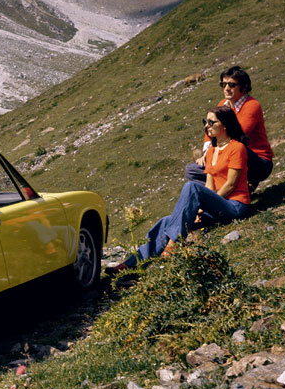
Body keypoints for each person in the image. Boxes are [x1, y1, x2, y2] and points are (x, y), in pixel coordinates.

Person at [108, 105, 251, 274]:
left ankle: (173, 244)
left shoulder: (237, 148)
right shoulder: (212, 151)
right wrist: (198, 210)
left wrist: (205, 205)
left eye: (212, 122)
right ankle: (133, 265)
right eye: (206, 122)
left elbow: (231, 184)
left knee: (191, 187)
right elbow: (209, 186)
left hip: (235, 205)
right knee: (166, 221)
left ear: (225, 125)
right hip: (217, 207)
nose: (207, 126)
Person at [184, 66, 273, 192]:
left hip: (256, 162)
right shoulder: (222, 105)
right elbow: (210, 132)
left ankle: (230, 190)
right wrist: (205, 155)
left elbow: (237, 136)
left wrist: (212, 155)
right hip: (228, 156)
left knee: (237, 147)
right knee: (191, 170)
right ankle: (231, 189)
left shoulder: (251, 105)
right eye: (223, 84)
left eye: (231, 85)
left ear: (244, 86)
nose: (226, 88)